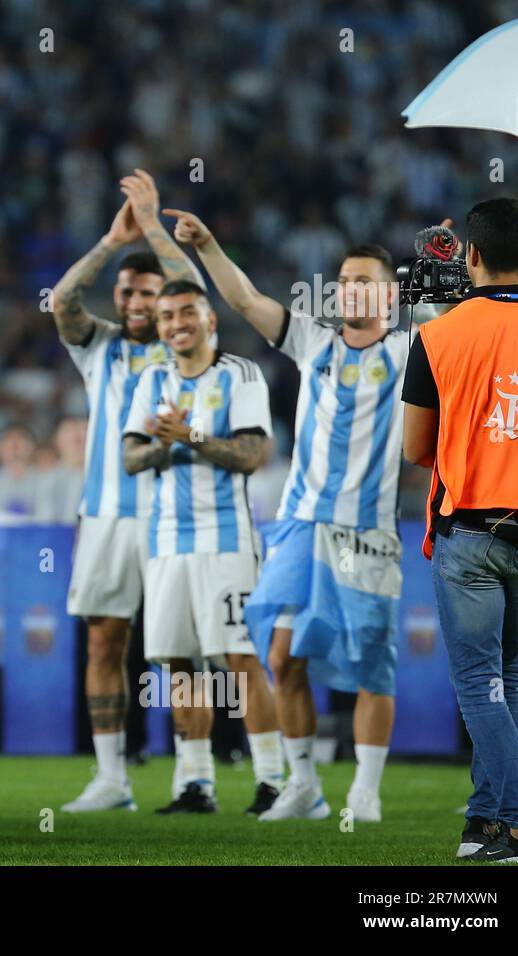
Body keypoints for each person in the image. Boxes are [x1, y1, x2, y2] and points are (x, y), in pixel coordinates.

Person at [170, 209, 409, 823]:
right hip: (301, 523)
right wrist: (210, 243)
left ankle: (366, 790)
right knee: (281, 658)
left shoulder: (413, 351)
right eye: (344, 279)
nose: (349, 288)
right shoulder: (314, 340)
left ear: (390, 292)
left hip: (368, 529)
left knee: (370, 661)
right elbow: (246, 298)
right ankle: (304, 785)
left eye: (364, 280)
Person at [401, 197, 518, 863]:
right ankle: (482, 823)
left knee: (479, 685)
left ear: (472, 255)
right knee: (509, 680)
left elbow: (416, 449)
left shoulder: (436, 336)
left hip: (471, 534)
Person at [49, 170, 200, 814]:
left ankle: (194, 778)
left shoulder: (185, 346)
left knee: (180, 651)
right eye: (126, 291)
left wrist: (157, 230)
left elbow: (193, 288)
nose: (135, 301)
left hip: (171, 517)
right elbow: (61, 301)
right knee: (104, 642)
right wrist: (112, 243)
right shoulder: (99, 347)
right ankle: (112, 778)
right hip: (106, 515)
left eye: (146, 291)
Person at [122, 280, 284, 815]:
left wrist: (188, 437)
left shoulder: (240, 375)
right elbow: (130, 457)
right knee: (178, 663)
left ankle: (271, 780)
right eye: (166, 315)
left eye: (186, 311)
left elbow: (251, 454)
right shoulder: (152, 379)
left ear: (209, 317)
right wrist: (162, 445)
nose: (174, 323)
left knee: (240, 658)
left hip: (227, 540)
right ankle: (196, 784)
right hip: (167, 541)